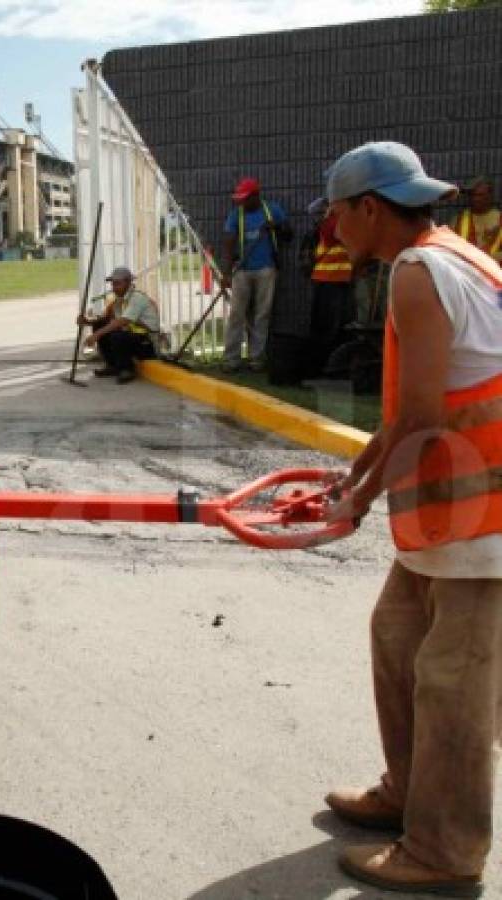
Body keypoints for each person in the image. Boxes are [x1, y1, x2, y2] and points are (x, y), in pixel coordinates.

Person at [324, 142, 502, 897]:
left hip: (483, 516)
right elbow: (407, 414)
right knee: (395, 637)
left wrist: (357, 502)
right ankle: (405, 791)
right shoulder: (452, 252)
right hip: (452, 515)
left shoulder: (415, 274)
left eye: (335, 212)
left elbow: (423, 419)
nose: (331, 229)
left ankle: (444, 849)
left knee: (453, 683)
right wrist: (352, 477)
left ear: (368, 208)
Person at [220, 177, 290, 373]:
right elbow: (228, 243)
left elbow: (289, 235)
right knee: (236, 314)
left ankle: (256, 360)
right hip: (241, 270)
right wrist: (226, 273)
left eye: (244, 198)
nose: (241, 202)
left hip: (266, 269)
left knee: (262, 315)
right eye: (239, 199)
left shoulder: (272, 210)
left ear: (256, 196)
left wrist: (275, 227)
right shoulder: (236, 215)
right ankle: (231, 360)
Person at [78, 266, 160, 384]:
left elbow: (122, 321)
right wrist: (87, 322)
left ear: (128, 282)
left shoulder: (137, 298)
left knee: (118, 335)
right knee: (101, 325)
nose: (114, 288)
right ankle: (113, 365)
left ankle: (126, 369)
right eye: (113, 284)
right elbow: (109, 319)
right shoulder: (119, 300)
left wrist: (96, 335)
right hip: (133, 338)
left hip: (147, 343)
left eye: (117, 284)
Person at [305, 198, 354, 377]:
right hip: (331, 281)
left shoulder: (331, 223)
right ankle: (327, 367)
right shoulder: (331, 224)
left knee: (327, 325)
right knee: (330, 327)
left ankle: (325, 366)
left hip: (331, 280)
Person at [451, 176, 502, 264]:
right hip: (466, 273)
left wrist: (487, 258)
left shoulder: (499, 219)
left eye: (480, 195)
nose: (475, 199)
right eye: (472, 195)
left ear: (490, 196)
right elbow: (449, 249)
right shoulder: (458, 221)